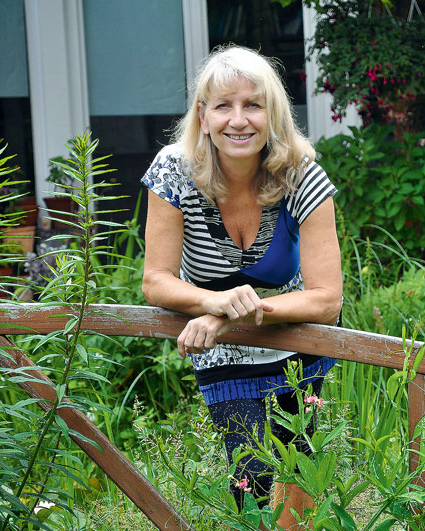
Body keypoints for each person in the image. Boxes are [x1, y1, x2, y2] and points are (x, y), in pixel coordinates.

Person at [141, 45, 342, 528]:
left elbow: (327, 298)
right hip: (223, 348)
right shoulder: (174, 171)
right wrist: (214, 302)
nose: (239, 120)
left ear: (272, 114)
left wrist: (224, 314)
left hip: (293, 332)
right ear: (203, 116)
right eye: (223, 106)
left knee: (299, 467)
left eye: (253, 105)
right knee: (249, 466)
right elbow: (156, 280)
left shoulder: (301, 173)